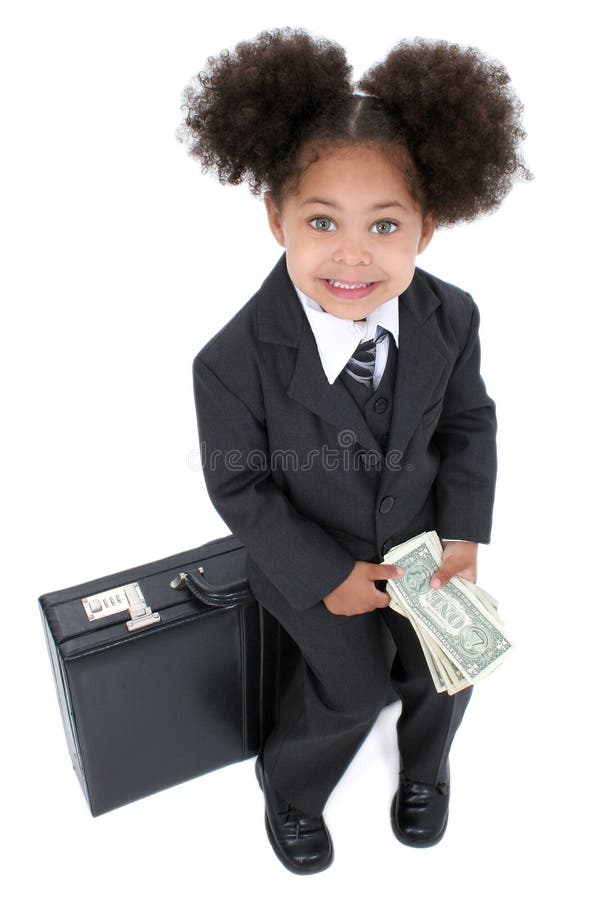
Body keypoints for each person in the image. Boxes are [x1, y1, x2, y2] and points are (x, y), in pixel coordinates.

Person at [177, 27, 530, 874]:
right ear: (276, 218)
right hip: (310, 560)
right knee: (351, 686)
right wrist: (325, 575)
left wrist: (463, 531)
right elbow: (242, 489)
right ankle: (292, 786)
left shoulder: (452, 317)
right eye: (322, 220)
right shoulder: (231, 362)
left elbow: (468, 424)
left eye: (384, 225)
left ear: (428, 227)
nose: (351, 253)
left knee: (447, 667)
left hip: (421, 547)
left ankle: (426, 770)